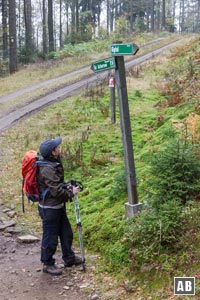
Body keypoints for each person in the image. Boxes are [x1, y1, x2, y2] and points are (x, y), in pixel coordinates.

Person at [37, 137, 82, 276]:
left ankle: (69, 258)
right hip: (49, 209)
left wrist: (67, 186)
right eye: (57, 147)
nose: (59, 148)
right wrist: (71, 193)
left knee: (66, 232)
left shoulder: (51, 163)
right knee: (50, 236)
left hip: (57, 206)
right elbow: (56, 191)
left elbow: (55, 185)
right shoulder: (46, 169)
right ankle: (47, 263)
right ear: (53, 152)